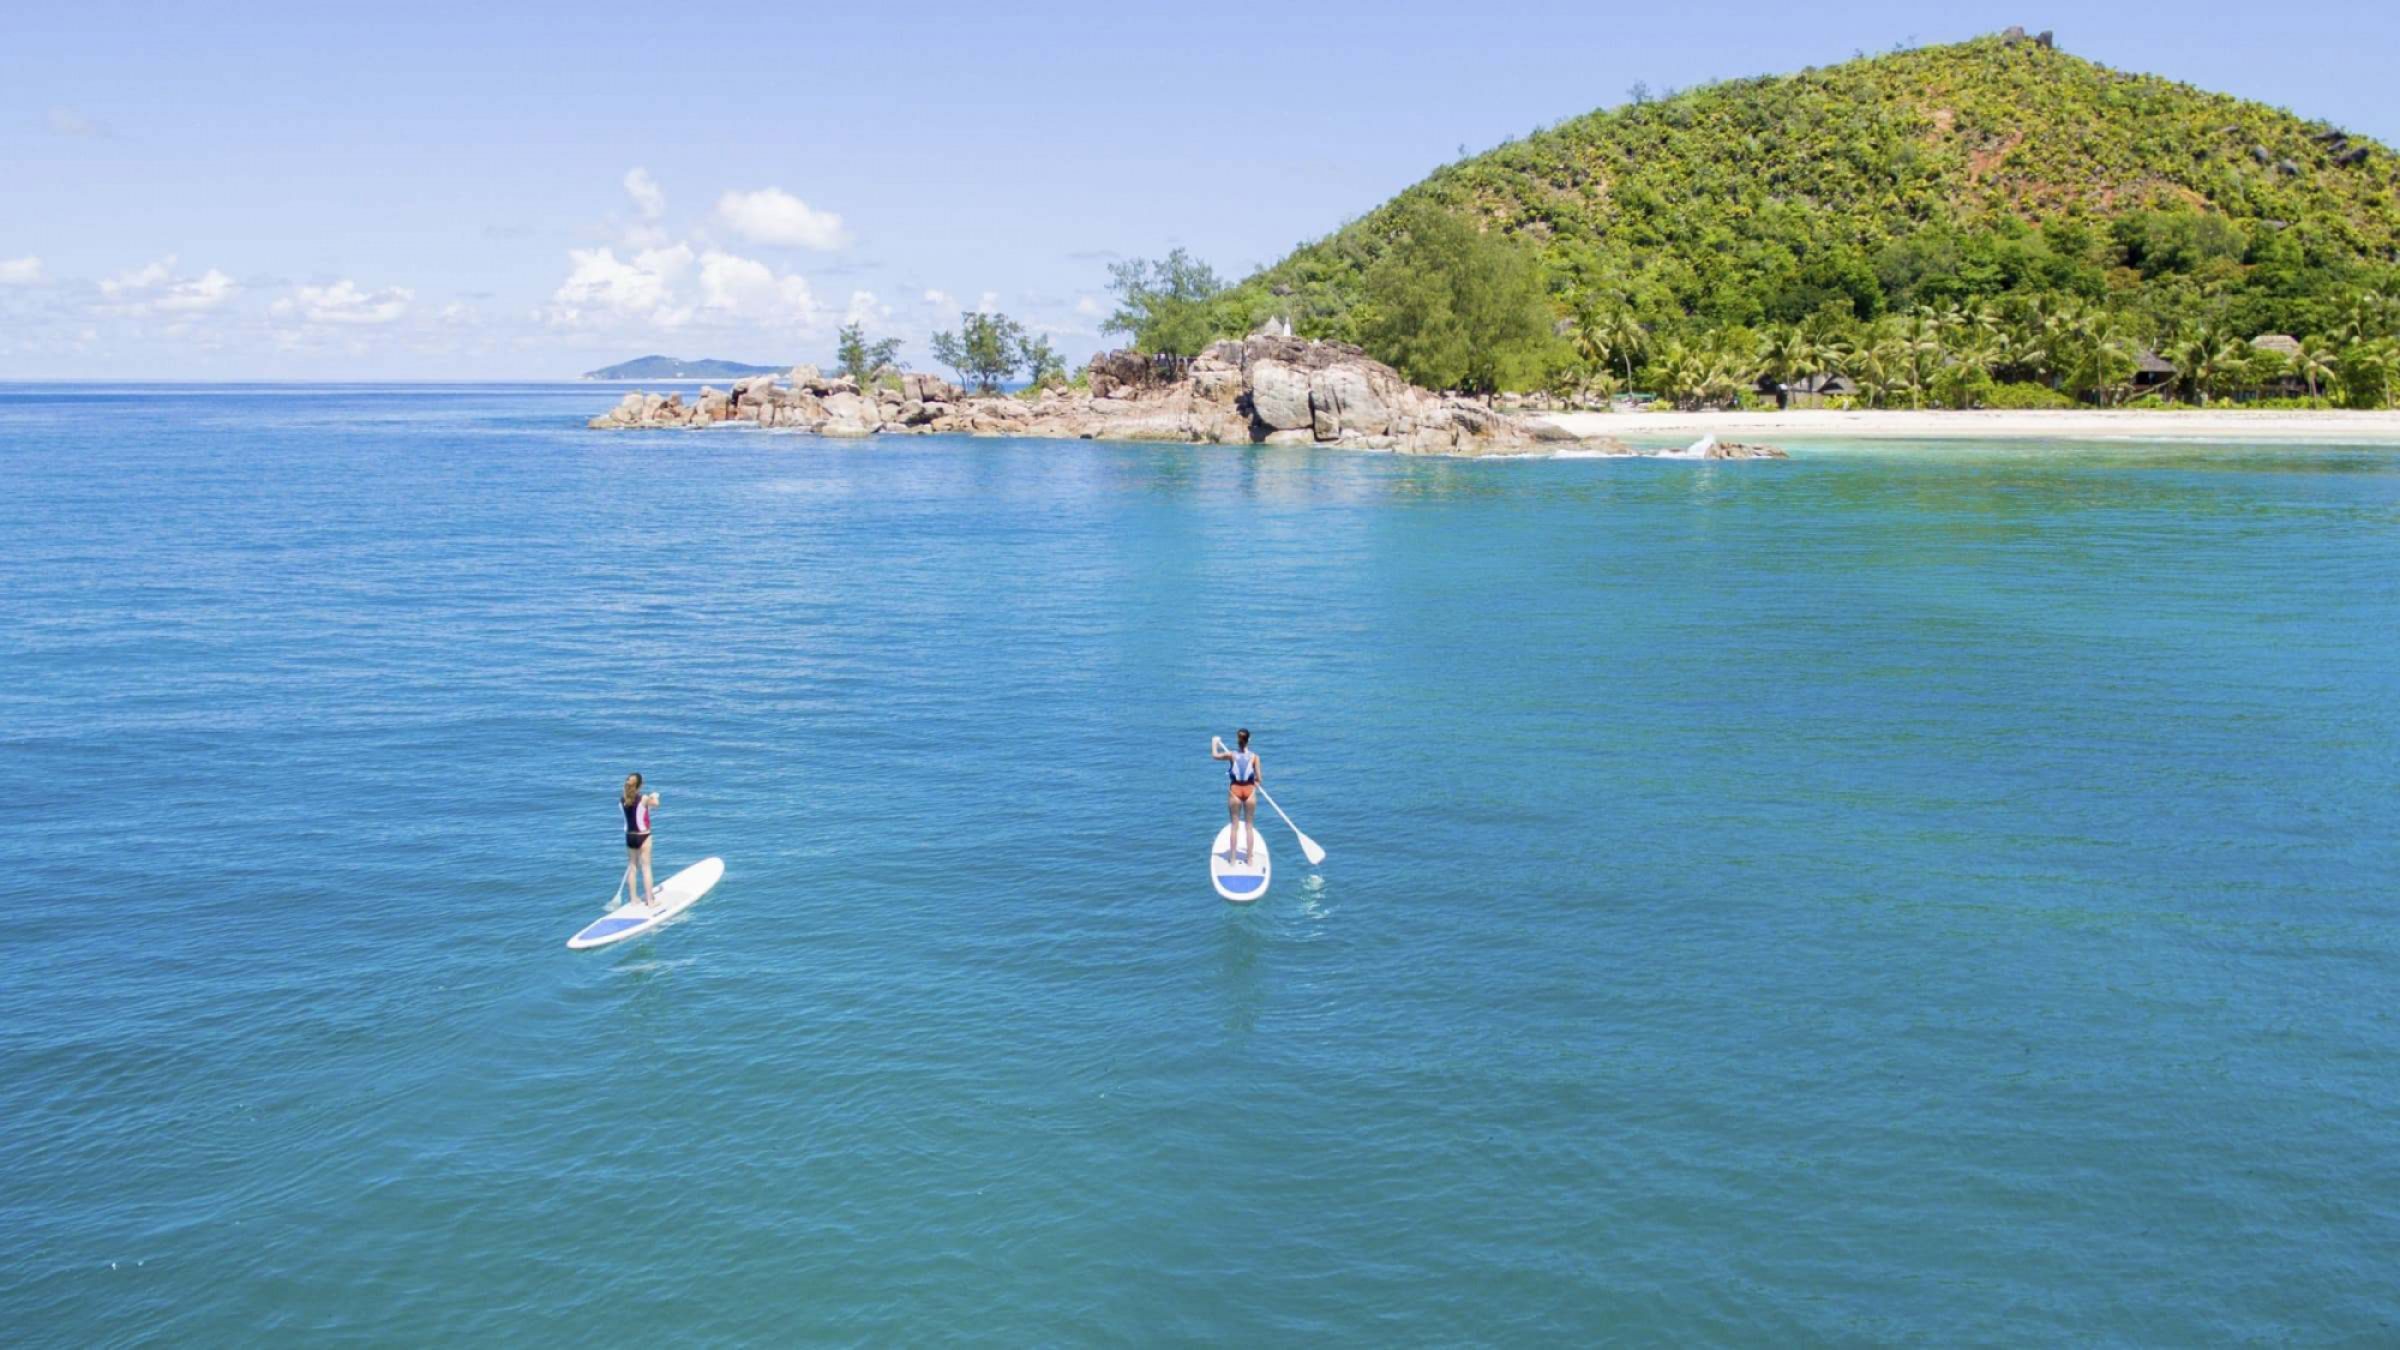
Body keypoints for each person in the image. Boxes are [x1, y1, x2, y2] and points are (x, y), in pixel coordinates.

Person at [1213, 729, 1261, 864]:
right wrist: (1256, 784)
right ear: (1249, 740)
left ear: (1238, 740)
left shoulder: (1231, 755)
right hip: (1250, 792)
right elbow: (1259, 779)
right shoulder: (1255, 757)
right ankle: (1250, 859)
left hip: (1235, 791)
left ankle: (1233, 859)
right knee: (1249, 827)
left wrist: (1214, 742)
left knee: (1234, 826)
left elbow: (1215, 755)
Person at [620, 773, 661, 909]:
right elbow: (656, 804)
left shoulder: (622, 800)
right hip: (643, 836)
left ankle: (633, 900)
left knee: (632, 867)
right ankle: (650, 901)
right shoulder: (643, 798)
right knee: (646, 868)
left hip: (629, 836)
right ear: (640, 785)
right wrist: (654, 796)